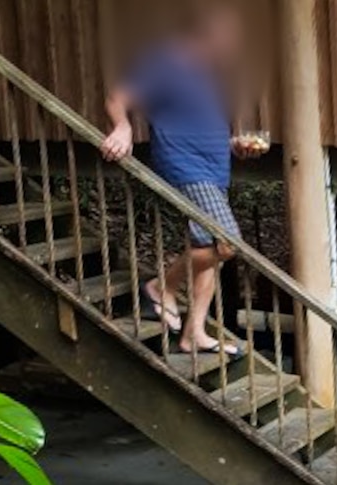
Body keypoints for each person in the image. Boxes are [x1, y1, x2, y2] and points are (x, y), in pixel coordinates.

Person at [100, 2, 264, 356]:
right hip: (184, 165)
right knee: (226, 243)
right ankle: (161, 288)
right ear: (205, 31)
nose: (233, 42)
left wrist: (234, 145)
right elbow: (117, 95)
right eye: (228, 33)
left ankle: (193, 334)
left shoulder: (206, 73)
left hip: (216, 168)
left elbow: (197, 121)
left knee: (206, 248)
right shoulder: (165, 61)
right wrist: (123, 127)